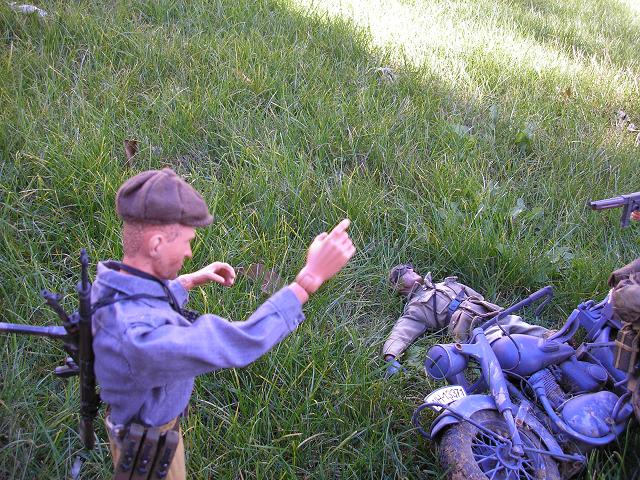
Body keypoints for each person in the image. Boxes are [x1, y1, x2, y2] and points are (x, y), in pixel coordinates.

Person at [92, 168, 355, 479]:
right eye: (186, 242)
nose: (190, 252)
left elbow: (140, 298)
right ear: (157, 244)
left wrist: (186, 282)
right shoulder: (141, 339)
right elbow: (238, 342)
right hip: (148, 453)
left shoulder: (111, 283)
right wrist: (308, 281)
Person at [382, 264, 549, 376]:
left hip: (489, 313)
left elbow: (476, 296)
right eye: (401, 271)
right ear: (398, 286)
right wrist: (390, 357)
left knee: (526, 327)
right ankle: (539, 373)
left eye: (408, 267)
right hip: (471, 327)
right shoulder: (416, 308)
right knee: (504, 347)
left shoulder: (443, 284)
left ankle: (557, 341)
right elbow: (401, 333)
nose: (409, 269)